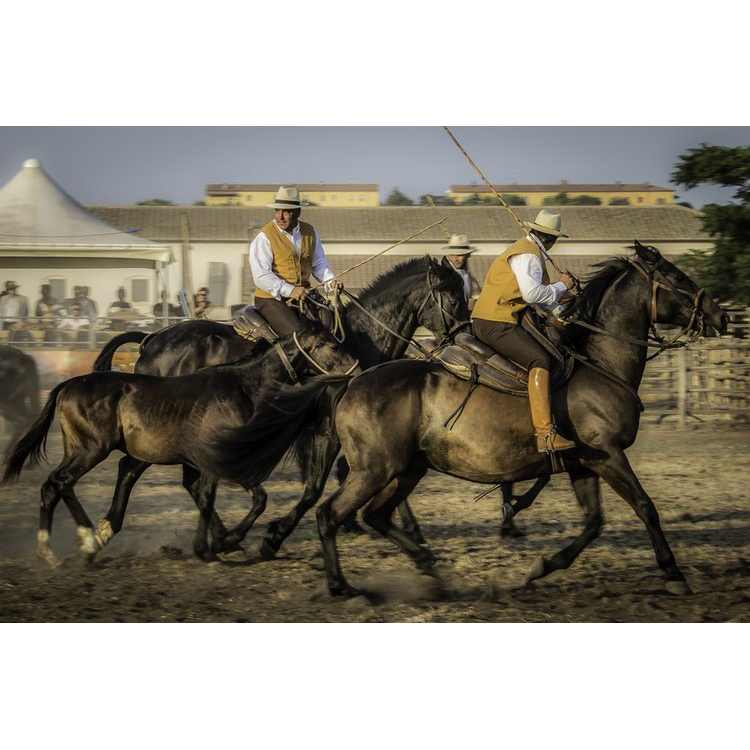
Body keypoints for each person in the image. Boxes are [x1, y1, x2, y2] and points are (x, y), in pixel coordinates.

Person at [471, 210, 577, 454]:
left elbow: (540, 296)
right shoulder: (528, 255)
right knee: (540, 359)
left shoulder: (529, 251)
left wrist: (561, 311)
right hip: (495, 321)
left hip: (495, 318)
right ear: (552, 239)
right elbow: (531, 295)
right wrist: (564, 285)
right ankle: (545, 434)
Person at [248, 185, 343, 335]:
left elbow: (318, 263)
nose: (280, 216)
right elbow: (261, 276)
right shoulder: (264, 237)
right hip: (271, 299)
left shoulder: (310, 232)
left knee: (334, 324)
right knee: (300, 335)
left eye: (286, 211)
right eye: (277, 211)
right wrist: (290, 290)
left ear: (298, 212)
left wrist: (331, 282)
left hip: (304, 295)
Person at [440, 233, 481, 312]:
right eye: (453, 255)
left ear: (468, 255)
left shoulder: (468, 274)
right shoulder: (444, 277)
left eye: (459, 255)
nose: (455, 259)